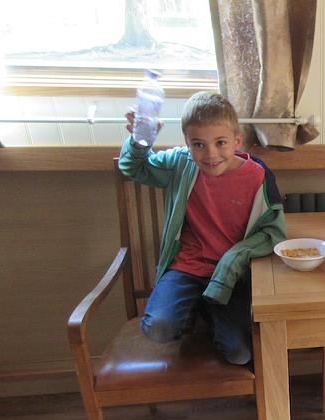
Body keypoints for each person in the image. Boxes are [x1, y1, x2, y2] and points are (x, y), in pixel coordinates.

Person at [118, 91, 287, 365]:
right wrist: (140, 142)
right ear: (187, 143)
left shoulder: (258, 176)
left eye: (220, 142)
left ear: (237, 140)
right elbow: (133, 167)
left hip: (232, 276)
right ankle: (198, 304)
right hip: (187, 268)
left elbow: (272, 233)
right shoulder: (180, 163)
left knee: (240, 354)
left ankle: (208, 311)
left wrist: (235, 257)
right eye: (198, 144)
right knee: (158, 329)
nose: (210, 154)